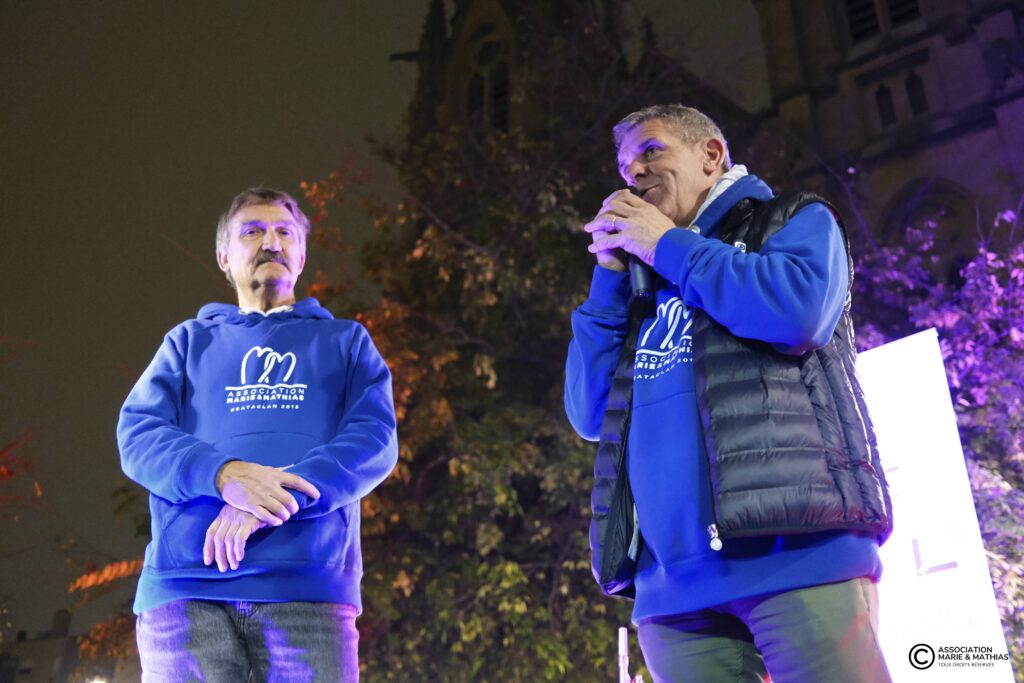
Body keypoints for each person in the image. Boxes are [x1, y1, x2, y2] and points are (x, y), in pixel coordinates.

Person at [564, 105, 893, 682]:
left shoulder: (791, 219)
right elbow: (590, 414)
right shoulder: (641, 284)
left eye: (651, 150)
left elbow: (797, 313)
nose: (634, 172)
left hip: (797, 558)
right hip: (673, 595)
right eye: (624, 165)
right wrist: (609, 280)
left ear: (710, 156)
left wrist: (667, 246)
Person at [118, 187, 398, 682]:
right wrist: (225, 476)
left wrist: (268, 498)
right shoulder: (186, 342)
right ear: (224, 256)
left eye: (284, 232)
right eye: (252, 231)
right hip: (186, 591)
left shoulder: (346, 341)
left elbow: (373, 440)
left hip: (308, 590)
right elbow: (138, 432)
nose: (271, 242)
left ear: (302, 255)